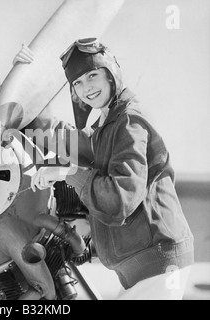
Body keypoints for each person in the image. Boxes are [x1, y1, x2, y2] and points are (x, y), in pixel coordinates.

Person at [13, 38, 194, 300]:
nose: (86, 88)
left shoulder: (129, 122)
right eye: (77, 82)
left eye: (92, 76)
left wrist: (66, 172)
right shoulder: (108, 126)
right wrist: (25, 80)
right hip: (146, 267)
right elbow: (65, 139)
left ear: (111, 74)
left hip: (159, 264)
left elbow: (120, 198)